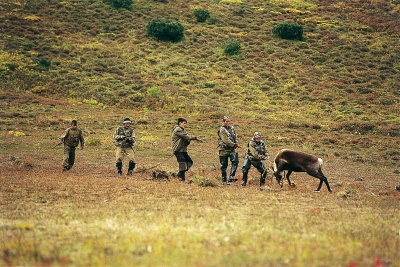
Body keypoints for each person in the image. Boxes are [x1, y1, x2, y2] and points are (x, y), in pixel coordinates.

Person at [172, 117, 200, 182]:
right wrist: (194, 137)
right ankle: (180, 178)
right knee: (183, 164)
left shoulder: (183, 130)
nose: (185, 125)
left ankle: (179, 176)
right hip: (178, 150)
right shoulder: (178, 129)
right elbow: (186, 136)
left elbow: (186, 139)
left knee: (189, 162)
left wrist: (189, 140)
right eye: (184, 123)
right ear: (180, 123)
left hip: (183, 150)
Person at [217, 116, 241, 184]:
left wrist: (236, 143)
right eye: (226, 121)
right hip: (223, 149)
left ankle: (231, 177)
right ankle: (224, 180)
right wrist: (234, 145)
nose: (228, 123)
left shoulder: (232, 128)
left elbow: (235, 136)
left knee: (235, 161)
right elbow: (225, 140)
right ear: (223, 122)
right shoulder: (222, 129)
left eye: (229, 121)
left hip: (232, 149)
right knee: (224, 165)